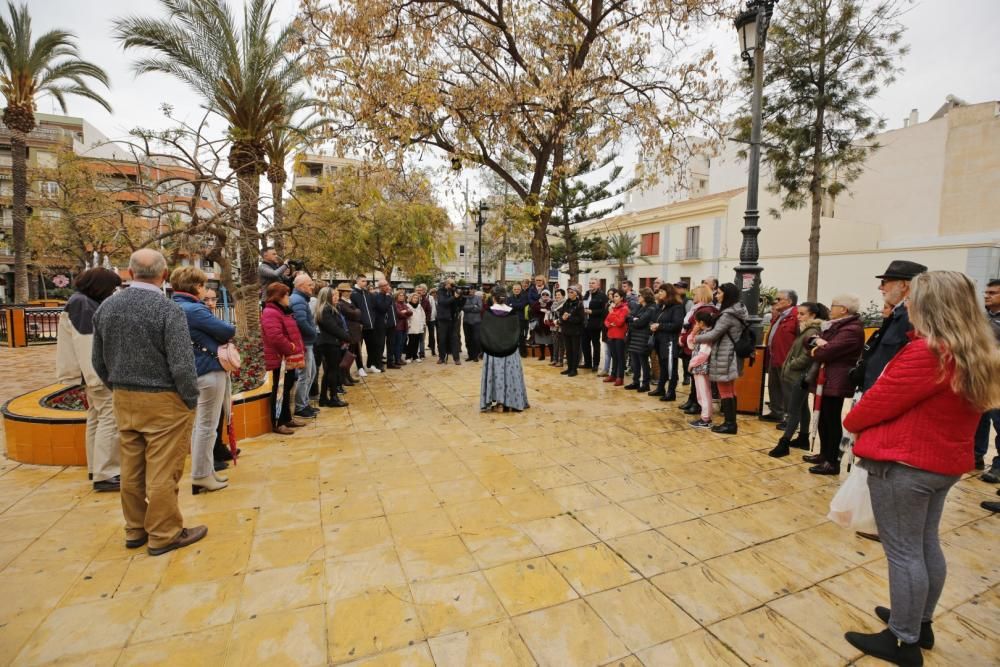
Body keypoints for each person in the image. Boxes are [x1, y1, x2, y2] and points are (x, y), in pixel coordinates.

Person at [842, 271, 1000, 665]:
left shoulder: (927, 351)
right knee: (925, 543)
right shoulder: (972, 349)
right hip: (940, 463)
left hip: (906, 463)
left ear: (931, 305)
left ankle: (902, 639)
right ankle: (918, 621)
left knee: (904, 552)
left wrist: (855, 421)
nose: (907, 304)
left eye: (914, 298)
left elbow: (872, 407)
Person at [91, 249, 206, 556]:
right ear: (164, 274)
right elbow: (182, 364)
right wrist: (189, 399)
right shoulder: (167, 310)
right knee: (163, 471)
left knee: (131, 469)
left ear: (129, 273)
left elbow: (97, 360)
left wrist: (118, 387)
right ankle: (164, 533)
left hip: (124, 398)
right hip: (164, 400)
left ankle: (135, 528)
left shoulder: (107, 308)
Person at [56, 267, 123, 491]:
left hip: (91, 375)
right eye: (111, 288)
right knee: (109, 420)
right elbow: (86, 344)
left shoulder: (80, 301)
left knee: (96, 419)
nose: (112, 292)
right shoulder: (83, 305)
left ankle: (98, 469)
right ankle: (107, 473)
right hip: (98, 375)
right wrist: (97, 378)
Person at [169, 266, 235, 495]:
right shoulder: (194, 310)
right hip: (207, 369)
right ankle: (201, 475)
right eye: (203, 285)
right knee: (207, 426)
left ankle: (205, 472)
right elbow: (226, 330)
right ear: (196, 286)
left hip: (191, 370)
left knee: (202, 426)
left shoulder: (173, 306)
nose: (205, 290)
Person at [802, 294, 865, 474]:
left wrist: (817, 347)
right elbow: (810, 340)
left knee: (832, 419)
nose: (830, 309)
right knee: (822, 417)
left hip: (836, 379)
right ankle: (824, 454)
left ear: (843, 309)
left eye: (833, 305)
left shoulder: (851, 329)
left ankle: (832, 461)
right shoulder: (834, 326)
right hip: (825, 377)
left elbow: (826, 352)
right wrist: (816, 343)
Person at [854, 260, 928, 394]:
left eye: (884, 282)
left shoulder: (912, 317)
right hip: (876, 393)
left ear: (903, 285)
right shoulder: (899, 314)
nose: (880, 288)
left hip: (886, 397)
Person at [768, 302, 828, 457]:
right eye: (798, 313)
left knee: (793, 410)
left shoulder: (812, 331)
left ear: (813, 315)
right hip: (798, 375)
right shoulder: (807, 330)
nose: (798, 317)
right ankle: (803, 437)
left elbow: (808, 353)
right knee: (801, 408)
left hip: (799, 376)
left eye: (802, 314)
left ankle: (784, 442)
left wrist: (793, 364)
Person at [693, 283, 748, 434]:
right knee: (730, 389)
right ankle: (730, 423)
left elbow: (713, 334)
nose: (717, 295)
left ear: (727, 295)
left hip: (725, 355)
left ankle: (730, 424)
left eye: (719, 293)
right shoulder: (738, 311)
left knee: (725, 390)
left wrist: (695, 337)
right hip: (730, 354)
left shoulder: (728, 315)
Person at [261, 282, 306, 435]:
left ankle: (287, 418)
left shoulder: (282, 311)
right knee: (279, 391)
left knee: (287, 389)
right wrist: (291, 348)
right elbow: (276, 337)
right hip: (279, 359)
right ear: (278, 297)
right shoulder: (270, 312)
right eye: (286, 295)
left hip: (287, 359)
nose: (289, 298)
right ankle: (277, 423)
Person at [477, 286, 531, 412]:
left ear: (493, 298)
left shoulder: (488, 312)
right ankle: (514, 402)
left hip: (493, 352)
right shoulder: (512, 312)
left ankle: (500, 404)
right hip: (510, 351)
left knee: (497, 376)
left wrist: (486, 347)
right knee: (510, 375)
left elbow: (484, 332)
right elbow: (517, 332)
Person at [202, 288, 239, 469]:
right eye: (206, 300)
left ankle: (219, 447)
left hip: (219, 367)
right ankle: (212, 455)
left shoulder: (211, 317)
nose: (210, 303)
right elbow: (227, 331)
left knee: (221, 412)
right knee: (210, 418)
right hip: (207, 369)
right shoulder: (200, 317)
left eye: (213, 299)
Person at [761, 289, 799, 424]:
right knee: (774, 386)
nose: (775, 302)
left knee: (787, 390)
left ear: (789, 302)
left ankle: (790, 419)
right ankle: (776, 412)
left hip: (787, 360)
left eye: (779, 299)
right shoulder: (780, 315)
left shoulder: (797, 316)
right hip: (775, 356)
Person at [678, 285, 716, 415]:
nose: (692, 297)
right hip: (692, 345)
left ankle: (698, 405)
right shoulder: (698, 308)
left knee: (700, 382)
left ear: (701, 295)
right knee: (695, 380)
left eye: (694, 294)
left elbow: (696, 328)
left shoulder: (705, 309)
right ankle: (692, 400)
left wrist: (685, 339)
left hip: (698, 347)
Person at [977, 279, 1000, 480]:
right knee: (978, 418)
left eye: (992, 293)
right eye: (986, 292)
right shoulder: (982, 317)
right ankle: (976, 456)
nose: (987, 295)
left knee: (998, 421)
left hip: (997, 378)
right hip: (980, 374)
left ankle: (998, 467)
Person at [315, 286, 350, 408]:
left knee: (329, 371)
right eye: (333, 295)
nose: (337, 297)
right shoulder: (326, 310)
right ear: (327, 297)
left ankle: (323, 397)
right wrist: (347, 337)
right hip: (329, 344)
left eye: (336, 295)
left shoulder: (330, 309)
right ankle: (333, 398)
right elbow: (334, 328)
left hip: (331, 343)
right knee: (333, 371)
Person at [290, 273, 319, 418]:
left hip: (307, 342)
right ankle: (300, 407)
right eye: (309, 285)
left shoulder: (300, 299)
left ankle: (305, 403)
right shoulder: (298, 300)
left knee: (311, 373)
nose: (312, 287)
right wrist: (313, 333)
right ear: (301, 286)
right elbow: (301, 322)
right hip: (304, 343)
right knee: (305, 375)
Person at [649, 284, 684, 401]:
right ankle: (660, 388)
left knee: (671, 368)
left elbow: (677, 325)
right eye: (659, 292)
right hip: (659, 341)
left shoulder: (677, 307)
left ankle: (671, 392)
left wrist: (660, 326)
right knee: (663, 366)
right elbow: (654, 319)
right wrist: (653, 325)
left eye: (661, 292)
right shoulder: (661, 306)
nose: (659, 294)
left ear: (668, 293)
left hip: (670, 341)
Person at [686, 310, 716, 429]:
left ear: (702, 322)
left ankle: (706, 418)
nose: (695, 324)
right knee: (701, 393)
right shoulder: (702, 333)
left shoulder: (707, 335)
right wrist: (693, 333)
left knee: (704, 393)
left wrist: (691, 363)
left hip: (701, 368)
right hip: (698, 368)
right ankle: (705, 417)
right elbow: (691, 345)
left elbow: (703, 354)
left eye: (696, 322)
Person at [625, 288, 655, 391]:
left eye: (640, 295)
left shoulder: (651, 308)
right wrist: (634, 319)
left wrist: (634, 320)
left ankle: (645, 384)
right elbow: (628, 317)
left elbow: (641, 322)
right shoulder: (639, 306)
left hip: (643, 338)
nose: (638, 297)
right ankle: (635, 381)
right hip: (634, 337)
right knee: (634, 361)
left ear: (646, 296)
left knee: (643, 362)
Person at [350, 275, 379, 377]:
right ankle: (360, 368)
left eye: (366, 281)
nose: (365, 283)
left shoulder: (367, 293)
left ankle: (371, 364)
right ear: (357, 281)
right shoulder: (353, 293)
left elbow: (373, 308)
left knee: (372, 346)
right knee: (358, 348)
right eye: (363, 281)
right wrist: (359, 322)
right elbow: (353, 310)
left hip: (370, 325)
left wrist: (373, 318)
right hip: (360, 326)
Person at [336, 282, 362, 385]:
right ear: (341, 292)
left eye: (349, 291)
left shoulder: (349, 301)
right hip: (349, 333)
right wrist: (357, 311)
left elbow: (357, 313)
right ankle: (343, 377)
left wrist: (357, 312)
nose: (349, 293)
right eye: (347, 291)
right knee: (346, 356)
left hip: (354, 332)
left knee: (351, 356)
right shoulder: (341, 303)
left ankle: (348, 376)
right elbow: (353, 314)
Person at [603, 288, 629, 386]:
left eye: (617, 296)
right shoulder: (612, 308)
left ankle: (620, 377)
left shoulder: (625, 308)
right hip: (611, 334)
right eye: (614, 296)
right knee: (614, 356)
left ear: (622, 298)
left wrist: (612, 314)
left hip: (619, 336)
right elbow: (606, 322)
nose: (614, 298)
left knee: (620, 357)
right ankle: (613, 375)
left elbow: (619, 322)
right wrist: (611, 324)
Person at [581, 277, 608, 371]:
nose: (591, 284)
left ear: (598, 285)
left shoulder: (602, 296)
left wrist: (592, 311)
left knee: (595, 344)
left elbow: (604, 311)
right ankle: (587, 363)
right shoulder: (587, 294)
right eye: (590, 283)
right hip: (584, 323)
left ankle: (595, 364)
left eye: (593, 283)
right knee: (584, 344)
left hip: (595, 324)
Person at [436, 279, 463, 364]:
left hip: (453, 319)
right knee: (442, 339)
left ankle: (456, 358)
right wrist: (454, 297)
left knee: (455, 339)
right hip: (443, 319)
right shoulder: (440, 291)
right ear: (447, 284)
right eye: (452, 284)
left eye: (454, 284)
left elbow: (458, 305)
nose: (453, 286)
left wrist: (460, 297)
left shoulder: (453, 291)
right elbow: (443, 302)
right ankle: (441, 357)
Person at [559, 285, 585, 376]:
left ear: (576, 293)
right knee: (568, 350)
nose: (569, 294)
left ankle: (574, 369)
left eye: (571, 292)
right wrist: (562, 317)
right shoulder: (566, 303)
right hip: (566, 330)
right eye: (568, 292)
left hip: (575, 331)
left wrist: (569, 317)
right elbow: (561, 313)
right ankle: (569, 368)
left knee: (575, 350)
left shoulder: (579, 304)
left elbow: (580, 318)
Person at [530, 290, 554, 361]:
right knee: (541, 341)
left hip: (548, 325)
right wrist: (541, 309)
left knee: (550, 342)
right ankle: (542, 355)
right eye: (543, 294)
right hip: (539, 325)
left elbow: (550, 309)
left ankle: (552, 356)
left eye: (547, 295)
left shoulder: (552, 302)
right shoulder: (538, 302)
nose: (545, 296)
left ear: (549, 295)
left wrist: (543, 309)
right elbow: (533, 308)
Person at [390, 289, 411, 367]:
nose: (402, 297)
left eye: (403, 296)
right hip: (398, 327)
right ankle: (397, 359)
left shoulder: (404, 304)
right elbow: (399, 314)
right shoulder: (395, 304)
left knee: (402, 344)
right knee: (398, 344)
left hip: (404, 326)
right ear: (396, 296)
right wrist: (406, 312)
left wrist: (405, 312)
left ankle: (399, 358)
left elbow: (410, 312)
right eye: (400, 295)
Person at [509, 282, 530, 357]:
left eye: (518, 289)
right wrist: (515, 306)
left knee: (521, 336)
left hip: (522, 320)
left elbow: (522, 306)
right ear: (512, 290)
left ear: (521, 290)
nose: (516, 290)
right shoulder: (509, 298)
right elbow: (509, 308)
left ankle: (523, 352)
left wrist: (513, 305)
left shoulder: (525, 297)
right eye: (515, 289)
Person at [463, 288, 484, 362]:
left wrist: (470, 308)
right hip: (466, 322)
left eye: (472, 289)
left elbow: (480, 308)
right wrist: (473, 306)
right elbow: (463, 308)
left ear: (474, 291)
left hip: (476, 322)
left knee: (476, 339)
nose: (470, 291)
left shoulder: (478, 298)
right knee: (468, 339)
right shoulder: (464, 298)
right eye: (469, 289)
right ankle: (470, 355)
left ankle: (475, 356)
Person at [406, 291, 427, 361]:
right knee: (411, 342)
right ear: (411, 298)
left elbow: (423, 315)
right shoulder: (407, 306)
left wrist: (423, 323)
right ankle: (408, 356)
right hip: (411, 327)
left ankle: (415, 356)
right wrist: (408, 324)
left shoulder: (419, 306)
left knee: (417, 342)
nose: (415, 299)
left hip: (418, 327)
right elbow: (406, 317)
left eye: (416, 298)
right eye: (414, 298)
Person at [548, 288, 566, 367]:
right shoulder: (554, 303)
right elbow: (552, 313)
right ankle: (555, 360)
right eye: (556, 295)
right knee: (555, 343)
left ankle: (560, 361)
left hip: (561, 326)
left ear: (563, 295)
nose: (557, 296)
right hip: (553, 326)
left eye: (559, 295)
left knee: (561, 344)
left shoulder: (565, 304)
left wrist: (559, 321)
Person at [426, 287, 438, 357]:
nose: (434, 294)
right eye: (433, 293)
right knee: (431, 334)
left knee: (436, 333)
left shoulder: (438, 299)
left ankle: (434, 348)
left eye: (435, 293)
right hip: (431, 318)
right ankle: (431, 347)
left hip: (438, 318)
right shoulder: (429, 298)